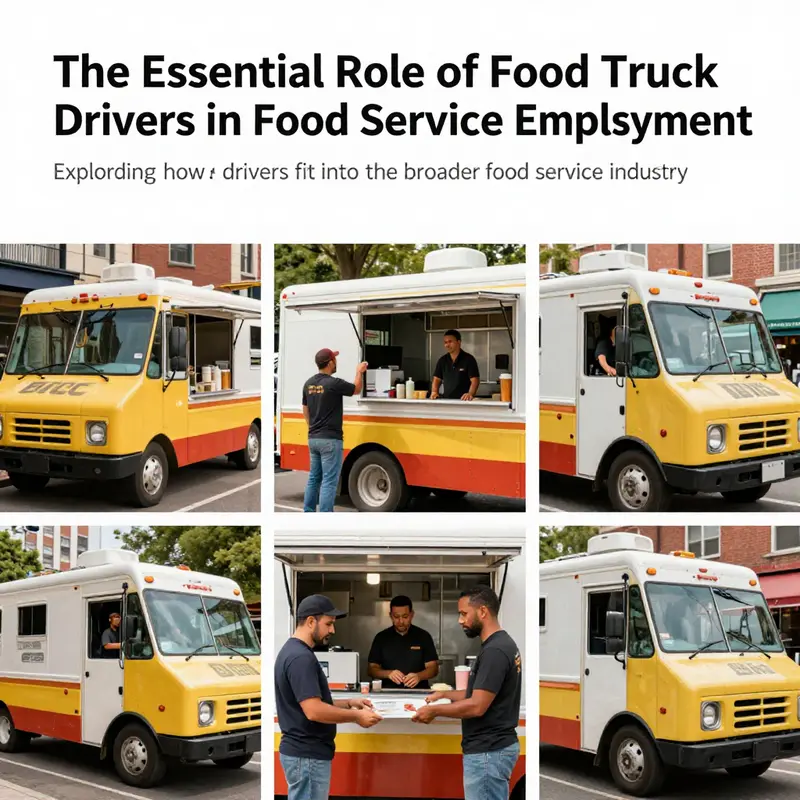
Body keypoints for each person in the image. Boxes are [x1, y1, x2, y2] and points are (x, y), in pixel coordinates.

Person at [411, 586, 521, 800]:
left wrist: (434, 712)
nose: (460, 620)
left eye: (463, 613)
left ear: (482, 612)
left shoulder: (495, 651)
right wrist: (443, 696)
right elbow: (477, 694)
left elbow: (477, 705)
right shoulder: (500, 644)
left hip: (488, 753)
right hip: (492, 750)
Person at [275, 595, 382, 800]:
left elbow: (309, 702)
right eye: (329, 624)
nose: (332, 630)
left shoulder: (293, 652)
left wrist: (350, 703)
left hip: (304, 754)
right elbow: (314, 710)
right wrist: (356, 717)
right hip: (307, 755)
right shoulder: (300, 658)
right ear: (310, 622)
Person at [302, 348, 368, 513]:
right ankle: (325, 517)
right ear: (330, 363)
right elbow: (356, 389)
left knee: (314, 478)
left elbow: (305, 409)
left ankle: (308, 513)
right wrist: (359, 372)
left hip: (313, 438)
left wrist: (313, 427)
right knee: (329, 481)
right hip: (331, 440)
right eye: (335, 359)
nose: (336, 362)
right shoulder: (333, 383)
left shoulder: (308, 383)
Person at [367, 595, 439, 689]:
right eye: (396, 617)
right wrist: (388, 674)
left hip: (419, 692)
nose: (401, 621)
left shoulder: (423, 636)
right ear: (390, 616)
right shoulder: (381, 638)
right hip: (388, 692)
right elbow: (371, 669)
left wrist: (419, 676)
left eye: (405, 617)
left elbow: (433, 668)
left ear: (412, 614)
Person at [431, 330, 480, 401]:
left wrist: (470, 394)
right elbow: (436, 379)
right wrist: (434, 392)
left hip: (464, 401)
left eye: (450, 342)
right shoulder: (442, 360)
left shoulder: (469, 359)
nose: (447, 345)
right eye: (445, 342)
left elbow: (475, 380)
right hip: (447, 400)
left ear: (458, 342)